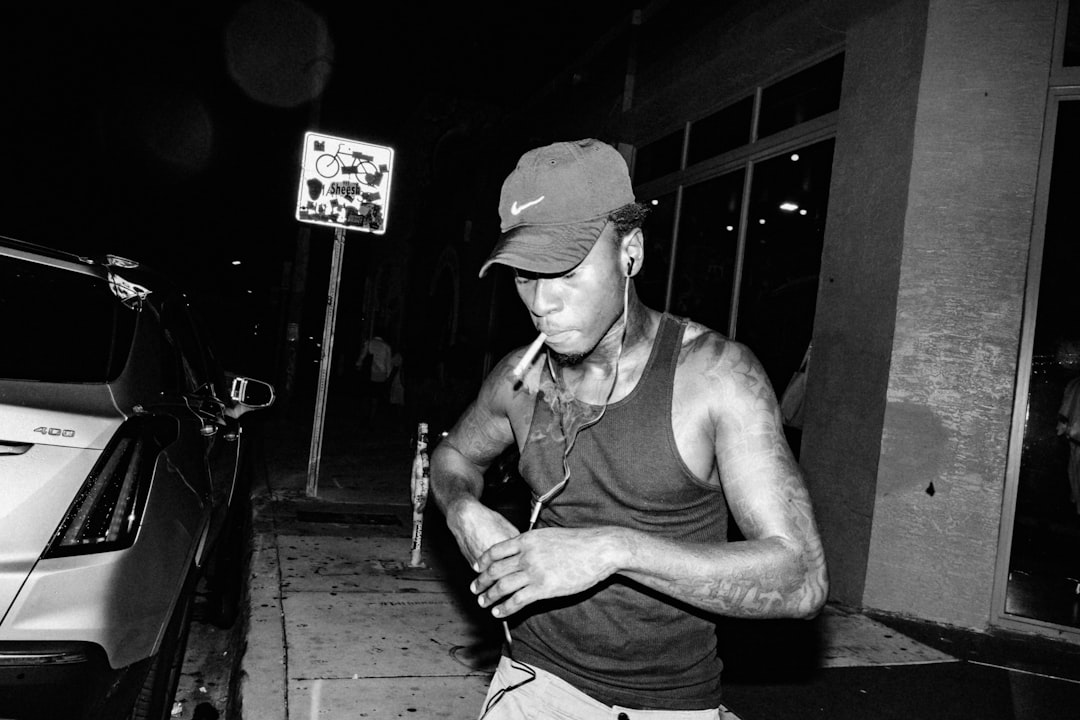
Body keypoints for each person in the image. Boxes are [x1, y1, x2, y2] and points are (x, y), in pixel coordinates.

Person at [430, 138, 828, 718]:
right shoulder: (518, 380)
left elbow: (801, 580)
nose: (542, 303)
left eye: (564, 269)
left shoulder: (715, 376)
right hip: (532, 682)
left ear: (630, 251)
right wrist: (463, 510)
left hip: (666, 704)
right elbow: (452, 459)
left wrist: (614, 550)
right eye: (524, 274)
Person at [356, 327, 393, 425]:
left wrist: (358, 365)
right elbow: (388, 363)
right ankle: (372, 418)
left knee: (366, 396)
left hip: (368, 373)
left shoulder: (369, 343)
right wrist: (388, 376)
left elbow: (362, 356)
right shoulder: (387, 346)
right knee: (375, 398)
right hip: (380, 375)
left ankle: (364, 417)